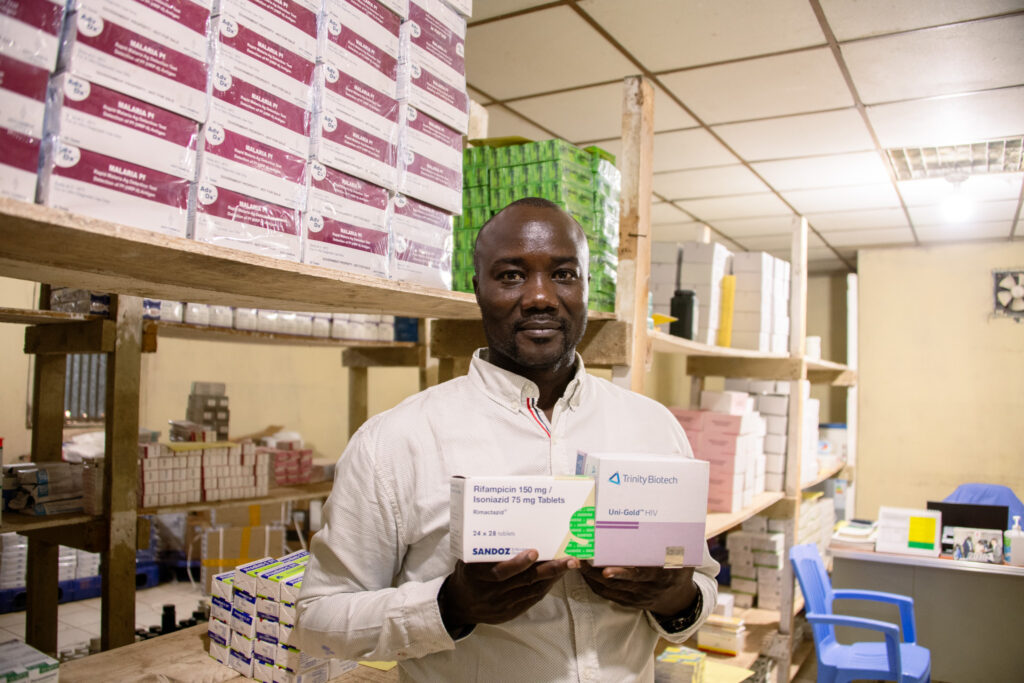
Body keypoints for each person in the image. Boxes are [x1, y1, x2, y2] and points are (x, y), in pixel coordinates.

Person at [294, 198, 719, 682]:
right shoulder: (396, 441)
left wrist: (672, 597)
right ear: (478, 290)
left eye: (563, 274)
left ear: (585, 287)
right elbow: (317, 622)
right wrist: (448, 607)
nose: (540, 296)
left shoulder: (653, 427)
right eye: (512, 275)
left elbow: (698, 588)